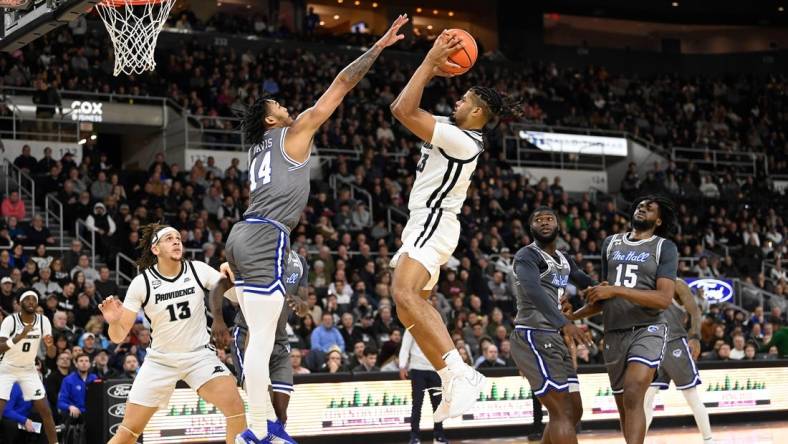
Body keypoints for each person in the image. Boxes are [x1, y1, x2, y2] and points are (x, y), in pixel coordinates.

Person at [221, 15, 408, 444]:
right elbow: (340, 85)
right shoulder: (295, 131)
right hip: (266, 235)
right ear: (271, 121)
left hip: (243, 233)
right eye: (277, 108)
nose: (286, 108)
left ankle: (261, 427)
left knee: (260, 335)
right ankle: (257, 430)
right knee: (263, 338)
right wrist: (377, 48)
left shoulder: (257, 146)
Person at [388, 30, 522, 422]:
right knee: (409, 308)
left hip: (433, 220)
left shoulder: (465, 140)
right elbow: (405, 106)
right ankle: (450, 375)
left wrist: (430, 62)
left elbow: (401, 110)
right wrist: (429, 68)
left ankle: (460, 372)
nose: (457, 100)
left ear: (478, 113)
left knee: (403, 291)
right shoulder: (457, 132)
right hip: (426, 221)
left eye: (465, 99)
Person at [98, 224, 246, 444]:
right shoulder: (142, 283)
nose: (177, 241)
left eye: (178, 237)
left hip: (198, 356)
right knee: (127, 432)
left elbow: (236, 297)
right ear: (155, 249)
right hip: (160, 361)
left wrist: (233, 274)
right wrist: (113, 322)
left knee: (236, 408)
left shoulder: (198, 269)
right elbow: (118, 336)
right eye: (169, 238)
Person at [566, 196, 678, 444]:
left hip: (648, 329)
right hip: (615, 332)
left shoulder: (664, 247)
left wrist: (616, 290)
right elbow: (604, 297)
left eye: (649, 208)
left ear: (658, 220)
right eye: (639, 206)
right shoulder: (611, 243)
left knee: (633, 391)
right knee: (623, 406)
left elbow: (663, 299)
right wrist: (571, 316)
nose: (642, 208)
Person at [509, 207, 595, 444]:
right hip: (533, 334)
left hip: (554, 336)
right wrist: (564, 322)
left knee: (573, 412)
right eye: (538, 220)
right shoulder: (527, 256)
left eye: (549, 219)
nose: (544, 222)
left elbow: (587, 283)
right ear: (531, 228)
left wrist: (606, 288)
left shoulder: (565, 259)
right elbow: (533, 291)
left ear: (558, 226)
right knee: (559, 413)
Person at [212, 250, 309, 433]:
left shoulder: (300, 261)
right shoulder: (255, 253)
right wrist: (218, 320)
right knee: (265, 411)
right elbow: (219, 287)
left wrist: (300, 304)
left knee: (280, 415)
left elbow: (304, 307)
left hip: (279, 340)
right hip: (249, 335)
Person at [644, 279, 712, 442]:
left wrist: (695, 336)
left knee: (691, 395)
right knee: (647, 398)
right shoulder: (643, 282)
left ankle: (708, 439)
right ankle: (638, 440)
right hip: (652, 344)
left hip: (674, 342)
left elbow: (695, 311)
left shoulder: (677, 284)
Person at [0, 290, 59, 444]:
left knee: (45, 410)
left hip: (28, 369)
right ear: (20, 303)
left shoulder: (43, 320)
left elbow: (52, 354)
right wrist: (19, 337)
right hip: (7, 368)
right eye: (27, 299)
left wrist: (50, 345)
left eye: (34, 299)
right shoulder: (10, 321)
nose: (31, 301)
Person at [399, 329, 447, 444]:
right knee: (417, 404)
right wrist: (402, 366)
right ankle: (415, 436)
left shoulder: (436, 325)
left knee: (438, 404)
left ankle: (439, 435)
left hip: (435, 369)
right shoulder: (411, 327)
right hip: (417, 369)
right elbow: (405, 347)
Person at [56, 353, 97, 420]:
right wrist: (70, 407)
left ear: (89, 364)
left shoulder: (95, 378)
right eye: (81, 361)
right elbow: (60, 402)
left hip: (93, 415)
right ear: (76, 364)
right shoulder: (68, 380)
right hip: (75, 415)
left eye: (86, 361)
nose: (84, 363)